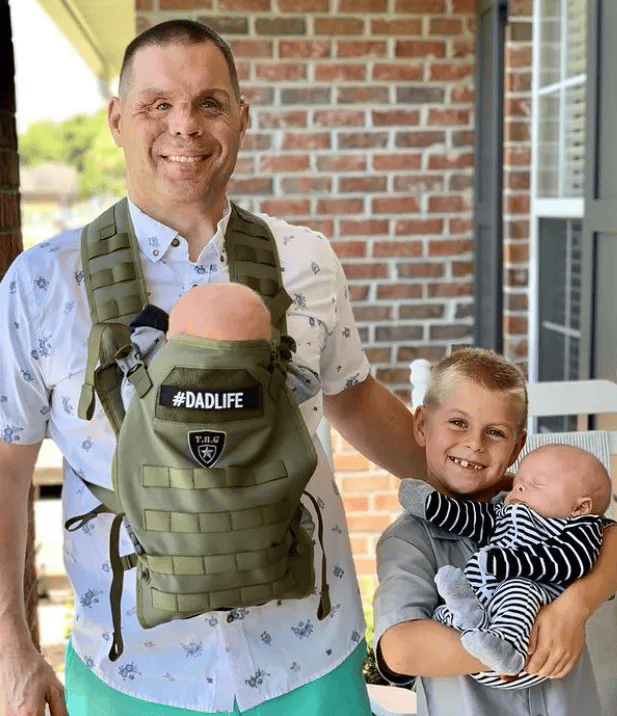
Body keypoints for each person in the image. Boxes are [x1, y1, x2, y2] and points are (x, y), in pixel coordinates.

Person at [0, 19, 428, 716]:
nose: (184, 127)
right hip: (130, 668)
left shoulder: (304, 259)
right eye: (157, 105)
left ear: (241, 117)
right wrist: (11, 649)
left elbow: (355, 399)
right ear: (117, 119)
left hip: (307, 653)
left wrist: (495, 490)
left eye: (208, 103)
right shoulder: (41, 284)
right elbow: (6, 468)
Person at [374, 347, 617, 716]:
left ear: (518, 446)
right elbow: (399, 649)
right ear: (422, 424)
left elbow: (608, 536)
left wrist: (573, 609)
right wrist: (514, 648)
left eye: (495, 432)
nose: (475, 444)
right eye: (458, 423)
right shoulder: (409, 540)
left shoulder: (547, 507)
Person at [399, 443, 610, 682]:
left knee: (519, 587)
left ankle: (508, 648)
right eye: (519, 480)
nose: (518, 486)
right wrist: (431, 505)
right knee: (443, 610)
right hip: (479, 640)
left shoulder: (581, 527)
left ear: (580, 507)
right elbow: (470, 518)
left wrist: (511, 563)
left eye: (537, 484)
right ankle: (469, 619)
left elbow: (569, 563)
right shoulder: (505, 513)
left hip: (529, 632)